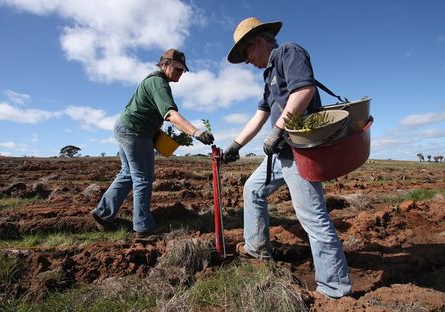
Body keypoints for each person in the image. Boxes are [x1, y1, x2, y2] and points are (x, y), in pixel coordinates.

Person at [223, 17, 352, 298]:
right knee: (253, 189)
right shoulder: (268, 75)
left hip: (299, 152)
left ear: (258, 42)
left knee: (313, 219)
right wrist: (235, 144)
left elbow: (304, 90)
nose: (247, 61)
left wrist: (279, 129)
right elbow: (261, 115)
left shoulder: (288, 52)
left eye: (245, 53)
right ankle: (257, 250)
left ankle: (335, 290)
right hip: (281, 153)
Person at [91, 48, 214, 237]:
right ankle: (143, 227)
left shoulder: (153, 81)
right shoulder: (159, 83)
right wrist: (195, 132)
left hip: (126, 127)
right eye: (177, 69)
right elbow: (170, 114)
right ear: (164, 65)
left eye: (183, 71)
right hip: (135, 131)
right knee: (143, 178)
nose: (181, 74)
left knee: (127, 174)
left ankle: (104, 213)